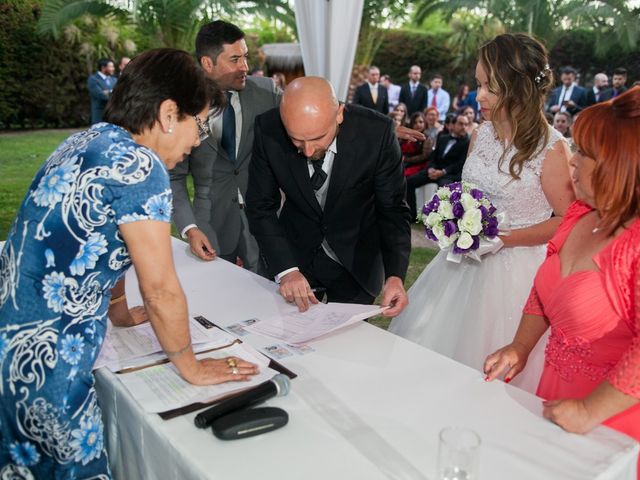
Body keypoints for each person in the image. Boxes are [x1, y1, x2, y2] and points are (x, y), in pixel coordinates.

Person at [0, 49, 258, 478]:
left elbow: (99, 242)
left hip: (13, 345)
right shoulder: (141, 168)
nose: (199, 140)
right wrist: (190, 366)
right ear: (169, 113)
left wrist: (117, 312)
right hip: (47, 366)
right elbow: (159, 288)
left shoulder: (92, 138)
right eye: (200, 125)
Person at [389, 33, 575, 393]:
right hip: (459, 266)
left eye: (490, 86)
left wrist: (503, 240)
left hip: (516, 273)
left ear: (519, 87)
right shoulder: (481, 133)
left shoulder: (551, 148)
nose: (479, 96)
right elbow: (470, 191)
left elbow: (566, 220)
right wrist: (454, 218)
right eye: (478, 84)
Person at [484, 86, 640, 474]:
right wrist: (520, 346)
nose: (573, 160)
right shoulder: (578, 217)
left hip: (613, 420)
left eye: (585, 152)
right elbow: (544, 291)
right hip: (555, 394)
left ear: (619, 164)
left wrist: (589, 411)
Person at [246, 77, 412, 316]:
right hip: (295, 253)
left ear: (339, 114)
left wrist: (395, 275)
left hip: (356, 261)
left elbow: (393, 210)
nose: (308, 151)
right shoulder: (268, 127)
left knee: (346, 346)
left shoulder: (377, 133)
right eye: (296, 140)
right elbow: (260, 206)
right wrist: (287, 270)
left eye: (317, 138)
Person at [170, 20, 280, 273]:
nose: (245, 67)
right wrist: (190, 227)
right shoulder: (183, 105)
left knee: (268, 295)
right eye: (234, 60)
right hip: (209, 224)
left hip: (264, 221)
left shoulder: (267, 93)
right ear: (208, 63)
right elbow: (174, 177)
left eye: (245, 57)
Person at [405, 113, 470, 220]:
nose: (464, 127)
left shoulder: (467, 142)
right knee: (409, 182)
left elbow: (459, 164)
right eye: (461, 124)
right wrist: (431, 169)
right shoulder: (442, 138)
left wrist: (443, 172)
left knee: (444, 190)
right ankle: (412, 215)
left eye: (466, 124)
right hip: (433, 170)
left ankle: (441, 222)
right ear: (453, 125)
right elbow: (432, 157)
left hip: (449, 174)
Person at [402, 112, 432, 178]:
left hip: (418, 165)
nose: (418, 125)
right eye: (415, 122)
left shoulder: (427, 138)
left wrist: (406, 159)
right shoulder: (407, 136)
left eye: (421, 122)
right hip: (404, 162)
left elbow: (424, 156)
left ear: (425, 123)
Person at [87, 57, 116, 124]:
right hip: (99, 118)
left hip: (113, 118)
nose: (113, 69)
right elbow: (101, 95)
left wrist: (108, 92)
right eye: (111, 67)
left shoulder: (114, 80)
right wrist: (113, 92)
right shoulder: (93, 79)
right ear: (103, 68)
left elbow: (120, 93)